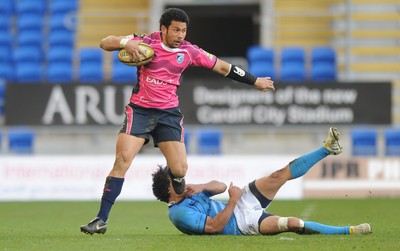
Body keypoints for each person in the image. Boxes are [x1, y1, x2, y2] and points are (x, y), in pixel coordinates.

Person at [80, 8, 275, 235]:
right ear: (163, 29)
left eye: (183, 30)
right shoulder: (145, 42)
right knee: (122, 160)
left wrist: (255, 81)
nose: (180, 35)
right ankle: (101, 219)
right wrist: (126, 43)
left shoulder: (189, 51)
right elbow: (105, 42)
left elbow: (223, 67)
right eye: (176, 30)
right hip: (140, 110)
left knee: (180, 169)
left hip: (168, 114)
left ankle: (180, 189)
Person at [152, 127, 372, 236]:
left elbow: (219, 186)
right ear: (169, 191)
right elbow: (213, 227)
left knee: (278, 174)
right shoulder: (178, 213)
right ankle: (349, 231)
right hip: (242, 223)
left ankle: (327, 148)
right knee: (292, 223)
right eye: (175, 180)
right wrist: (232, 201)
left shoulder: (189, 190)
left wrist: (201, 186)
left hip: (240, 202)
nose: (180, 179)